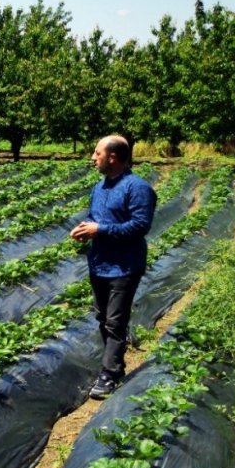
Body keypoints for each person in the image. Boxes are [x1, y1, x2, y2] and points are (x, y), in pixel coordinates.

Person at [70, 135, 157, 399]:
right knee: (102, 317)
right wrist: (86, 229)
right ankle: (114, 366)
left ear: (113, 157)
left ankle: (109, 373)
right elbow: (95, 218)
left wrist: (101, 229)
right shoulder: (99, 187)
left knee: (115, 321)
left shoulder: (137, 188)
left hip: (125, 266)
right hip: (99, 264)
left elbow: (141, 226)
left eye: (97, 153)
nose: (92, 158)